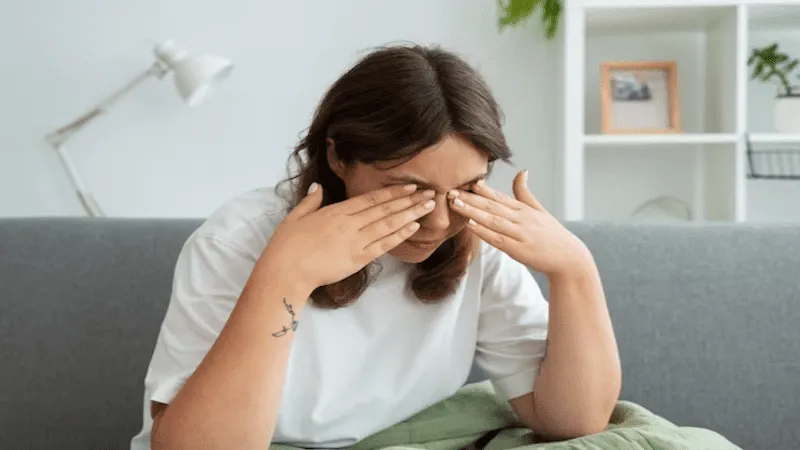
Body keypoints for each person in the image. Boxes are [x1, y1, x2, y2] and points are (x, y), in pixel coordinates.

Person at [130, 44, 621, 450]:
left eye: (465, 188)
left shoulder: (475, 238)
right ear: (338, 155)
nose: (439, 220)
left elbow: (573, 422)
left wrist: (574, 269)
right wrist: (285, 276)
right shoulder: (234, 242)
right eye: (409, 190)